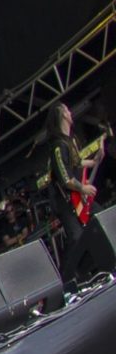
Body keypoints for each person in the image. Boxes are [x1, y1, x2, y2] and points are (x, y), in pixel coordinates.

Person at [41, 102, 101, 279]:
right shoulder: (58, 146)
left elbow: (75, 162)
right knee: (77, 238)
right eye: (67, 110)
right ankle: (66, 280)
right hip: (65, 201)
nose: (70, 112)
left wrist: (94, 161)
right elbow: (64, 177)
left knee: (100, 219)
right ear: (62, 116)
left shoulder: (70, 140)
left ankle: (95, 267)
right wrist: (83, 187)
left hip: (77, 198)